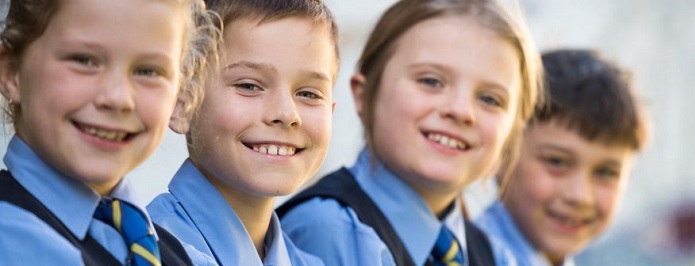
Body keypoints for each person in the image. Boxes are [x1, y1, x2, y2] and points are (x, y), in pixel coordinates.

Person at [278, 0, 543, 265]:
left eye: (489, 99)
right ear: (364, 94)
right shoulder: (331, 231)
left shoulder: (496, 256)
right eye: (431, 81)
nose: (461, 111)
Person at [0, 0, 219, 265]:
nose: (118, 98)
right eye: (84, 60)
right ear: (11, 71)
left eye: (148, 71)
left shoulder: (187, 258)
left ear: (180, 92)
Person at [146, 0, 339, 265]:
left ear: (331, 110)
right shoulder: (142, 252)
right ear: (181, 102)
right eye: (249, 86)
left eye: (308, 94)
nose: (286, 114)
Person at [475, 48, 649, 266]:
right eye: (556, 162)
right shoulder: (463, 258)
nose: (580, 196)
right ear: (502, 154)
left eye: (606, 173)